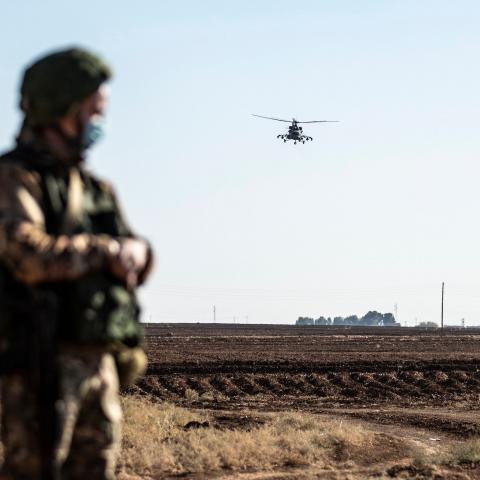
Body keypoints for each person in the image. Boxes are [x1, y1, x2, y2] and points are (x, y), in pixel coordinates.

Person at [0, 47, 153, 479]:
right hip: (39, 368)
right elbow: (27, 255)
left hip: (98, 364)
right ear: (62, 110)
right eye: (92, 110)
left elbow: (133, 250)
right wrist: (105, 253)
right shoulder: (15, 179)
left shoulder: (94, 188)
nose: (98, 122)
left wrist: (142, 255)